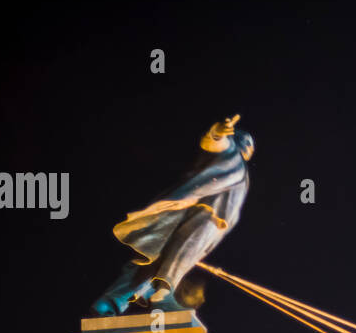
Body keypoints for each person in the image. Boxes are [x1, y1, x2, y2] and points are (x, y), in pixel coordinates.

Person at [92, 114, 255, 315]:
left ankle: (111, 302)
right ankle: (163, 294)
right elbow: (214, 142)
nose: (250, 148)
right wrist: (217, 133)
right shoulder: (231, 155)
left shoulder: (240, 169)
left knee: (158, 258)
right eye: (247, 143)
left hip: (210, 221)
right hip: (204, 215)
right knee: (182, 252)